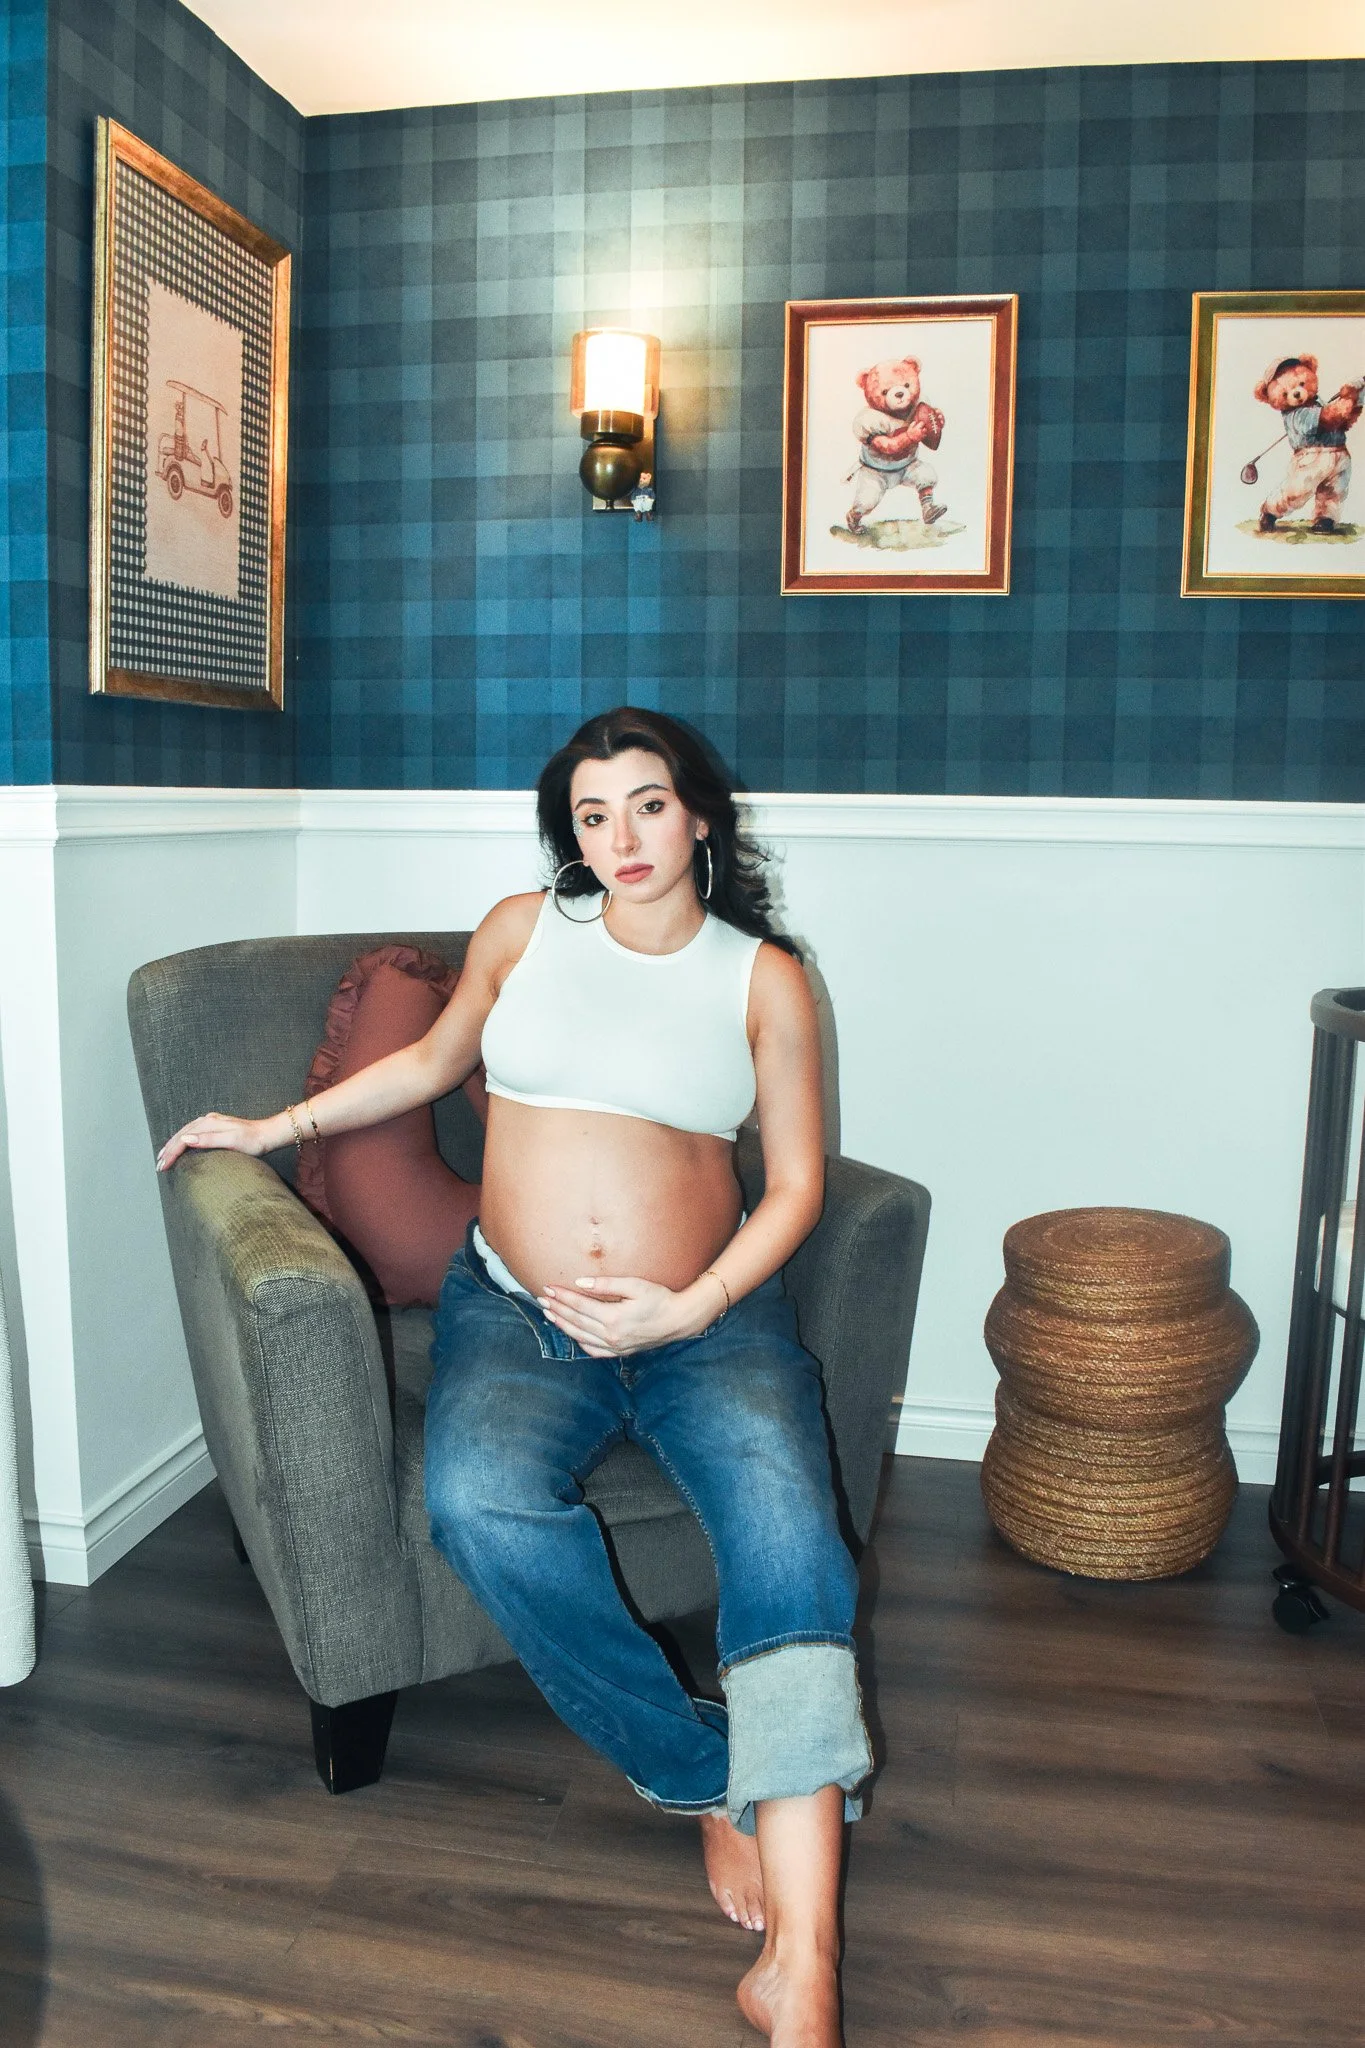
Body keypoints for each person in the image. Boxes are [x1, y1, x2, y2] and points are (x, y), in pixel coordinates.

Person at [157, 707, 871, 2047]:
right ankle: (708, 1775)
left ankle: (808, 1964)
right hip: (519, 1312)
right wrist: (276, 1125)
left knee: (791, 1541)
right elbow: (429, 1065)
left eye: (648, 806)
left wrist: (695, 1298)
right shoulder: (523, 928)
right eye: (593, 817)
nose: (622, 839)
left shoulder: (763, 977)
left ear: (700, 815)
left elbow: (801, 1186)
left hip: (708, 1313)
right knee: (477, 1504)